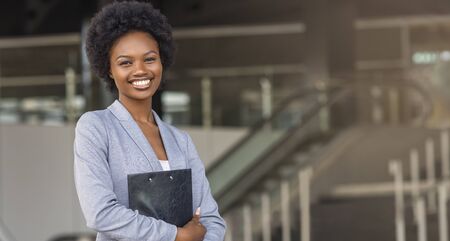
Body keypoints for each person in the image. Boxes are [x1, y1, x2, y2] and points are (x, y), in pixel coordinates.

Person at [73, 1, 226, 241]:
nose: (140, 70)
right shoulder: (96, 127)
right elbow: (100, 213)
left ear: (161, 61)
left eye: (149, 59)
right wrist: (176, 236)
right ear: (109, 69)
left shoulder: (180, 140)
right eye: (126, 62)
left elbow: (211, 219)